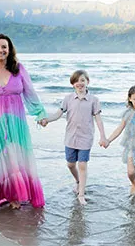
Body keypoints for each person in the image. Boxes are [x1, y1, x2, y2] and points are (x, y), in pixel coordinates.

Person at [0, 33, 47, 215]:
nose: (0, 50)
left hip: (16, 123)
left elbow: (30, 92)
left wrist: (39, 113)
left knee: (15, 159)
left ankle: (14, 197)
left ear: (10, 50)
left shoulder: (18, 69)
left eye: (4, 47)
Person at [40, 70, 107, 205]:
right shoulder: (68, 99)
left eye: (82, 80)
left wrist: (103, 137)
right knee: (70, 164)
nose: (79, 83)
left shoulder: (94, 100)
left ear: (88, 82)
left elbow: (98, 119)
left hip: (86, 138)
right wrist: (47, 120)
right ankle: (77, 181)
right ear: (72, 84)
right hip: (70, 137)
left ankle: (81, 194)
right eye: (76, 81)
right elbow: (58, 114)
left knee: (82, 165)